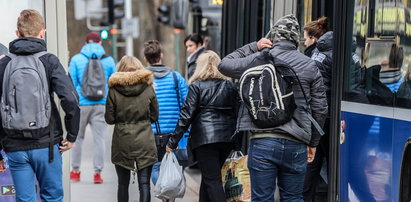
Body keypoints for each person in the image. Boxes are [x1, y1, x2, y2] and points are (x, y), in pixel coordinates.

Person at [218, 14, 328, 201]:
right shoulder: (309, 65)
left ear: (273, 37)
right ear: (295, 40)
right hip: (297, 141)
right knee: (293, 198)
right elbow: (320, 108)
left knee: (262, 198)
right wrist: (313, 143)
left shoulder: (259, 59)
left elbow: (224, 64)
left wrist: (255, 46)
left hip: (263, 141)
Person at [0, 9, 80, 201]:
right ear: (42, 32)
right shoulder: (49, 61)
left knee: (25, 199)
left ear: (17, 34)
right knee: (51, 197)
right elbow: (70, 99)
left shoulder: (4, 64)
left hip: (14, 146)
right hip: (47, 145)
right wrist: (71, 135)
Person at [166, 50, 237, 202]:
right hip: (227, 140)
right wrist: (236, 141)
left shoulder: (197, 87)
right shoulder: (230, 86)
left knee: (212, 180)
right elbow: (238, 114)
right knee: (208, 178)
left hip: (205, 141)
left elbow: (186, 116)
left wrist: (172, 141)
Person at [105, 56, 158, 202]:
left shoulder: (113, 90)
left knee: (122, 184)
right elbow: (155, 116)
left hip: (122, 140)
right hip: (145, 140)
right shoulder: (148, 88)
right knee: (144, 183)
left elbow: (109, 119)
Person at [68, 32, 116, 183]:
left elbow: (71, 82)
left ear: (86, 42)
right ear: (100, 42)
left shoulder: (76, 59)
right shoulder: (108, 61)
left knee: (77, 138)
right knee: (99, 139)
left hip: (81, 104)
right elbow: (113, 83)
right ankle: (97, 174)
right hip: (101, 104)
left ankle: (75, 171)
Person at [143, 40, 188, 187]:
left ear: (145, 58)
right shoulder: (176, 78)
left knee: (156, 167)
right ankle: (168, 196)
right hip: (174, 134)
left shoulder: (142, 80)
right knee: (173, 167)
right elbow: (187, 105)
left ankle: (163, 193)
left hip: (150, 133)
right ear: (161, 55)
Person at [304, 29, 333, 202]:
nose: (304, 42)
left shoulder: (315, 54)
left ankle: (304, 197)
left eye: (305, 38)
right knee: (330, 159)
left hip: (315, 115)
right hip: (328, 115)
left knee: (313, 162)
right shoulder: (341, 55)